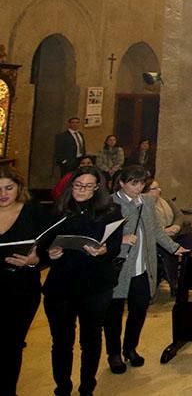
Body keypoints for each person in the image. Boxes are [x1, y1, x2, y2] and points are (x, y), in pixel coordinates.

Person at [43, 166, 124, 396]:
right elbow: (41, 244)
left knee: (90, 339)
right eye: (78, 185)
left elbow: (115, 246)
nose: (82, 190)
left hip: (95, 284)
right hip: (61, 284)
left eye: (89, 186)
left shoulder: (110, 211)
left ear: (97, 188)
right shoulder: (58, 210)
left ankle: (87, 385)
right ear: (70, 186)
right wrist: (49, 253)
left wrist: (104, 251)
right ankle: (63, 387)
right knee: (61, 341)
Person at [106, 164, 187, 374]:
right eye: (133, 183)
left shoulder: (148, 202)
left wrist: (175, 247)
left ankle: (130, 348)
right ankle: (114, 353)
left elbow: (157, 232)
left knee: (139, 309)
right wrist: (121, 240)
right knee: (113, 313)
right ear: (122, 183)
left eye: (141, 183)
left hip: (143, 265)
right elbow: (102, 235)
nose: (137, 187)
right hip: (120, 267)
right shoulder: (111, 203)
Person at [0, 166, 46, 395]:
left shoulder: (32, 212)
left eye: (9, 188)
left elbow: (47, 250)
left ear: (19, 188)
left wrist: (33, 259)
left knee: (12, 345)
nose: (3, 194)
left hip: (22, 288)